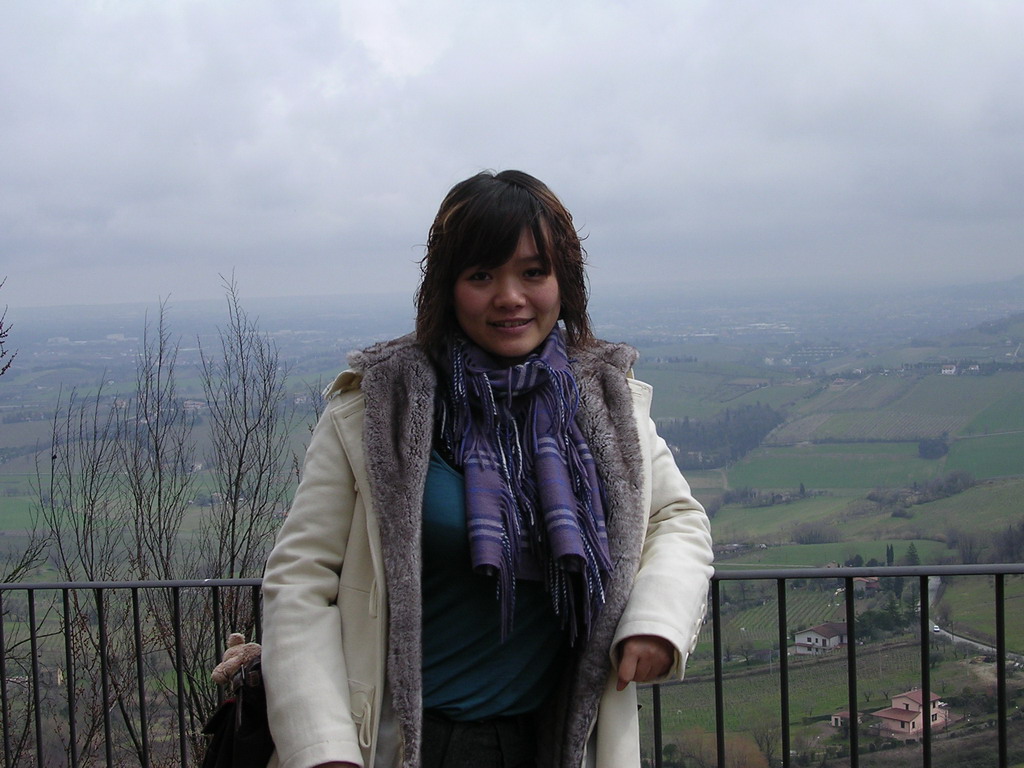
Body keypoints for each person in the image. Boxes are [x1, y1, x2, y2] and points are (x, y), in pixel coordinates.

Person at [261, 170, 714, 768]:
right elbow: (300, 579)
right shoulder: (381, 406)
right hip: (406, 744)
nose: (510, 297)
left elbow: (675, 518)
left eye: (533, 272)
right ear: (447, 288)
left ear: (564, 282)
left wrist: (656, 622)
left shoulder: (601, 402)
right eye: (481, 275)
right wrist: (325, 750)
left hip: (556, 737)